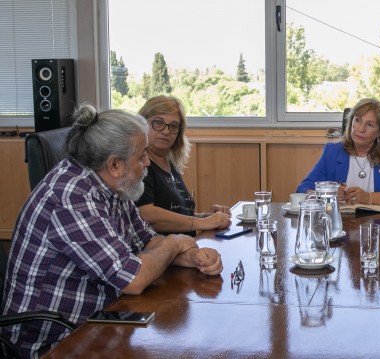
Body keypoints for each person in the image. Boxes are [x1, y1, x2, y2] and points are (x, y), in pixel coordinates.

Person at [1, 104, 223, 358]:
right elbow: (133, 279)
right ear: (115, 164)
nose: (148, 162)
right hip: (54, 342)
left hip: (100, 321)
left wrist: (193, 258)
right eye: (141, 156)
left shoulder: (113, 184)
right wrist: (175, 244)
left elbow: (149, 242)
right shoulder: (71, 196)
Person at [296, 98, 380, 208]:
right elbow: (303, 189)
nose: (361, 129)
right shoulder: (332, 152)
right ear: (351, 122)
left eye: (370, 125)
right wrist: (326, 195)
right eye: (358, 120)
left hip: (379, 227)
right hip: (341, 226)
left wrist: (369, 198)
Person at [136, 96, 230, 236]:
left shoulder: (169, 164)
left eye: (173, 126)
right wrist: (202, 223)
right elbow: (146, 215)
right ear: (142, 124)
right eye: (158, 122)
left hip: (186, 249)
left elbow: (176, 214)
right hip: (160, 252)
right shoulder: (139, 165)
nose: (166, 131)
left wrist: (207, 217)